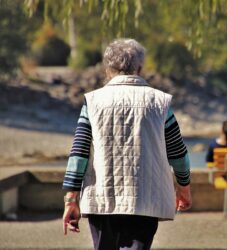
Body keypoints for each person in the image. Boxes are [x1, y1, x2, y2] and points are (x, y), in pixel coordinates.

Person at [62, 38, 192, 250]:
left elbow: (79, 152)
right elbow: (178, 152)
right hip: (145, 199)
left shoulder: (93, 101)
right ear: (140, 68)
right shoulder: (159, 102)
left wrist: (71, 199)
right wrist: (183, 186)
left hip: (102, 198)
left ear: (108, 69)